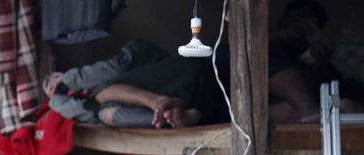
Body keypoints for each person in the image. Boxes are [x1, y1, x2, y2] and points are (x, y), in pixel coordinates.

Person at [43, 39, 230, 129]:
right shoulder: (98, 104)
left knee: (100, 104)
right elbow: (87, 110)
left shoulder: (134, 55)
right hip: (205, 104)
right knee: (102, 111)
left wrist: (69, 81)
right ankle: (174, 111)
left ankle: (159, 104)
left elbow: (116, 67)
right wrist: (62, 92)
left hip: (198, 83)